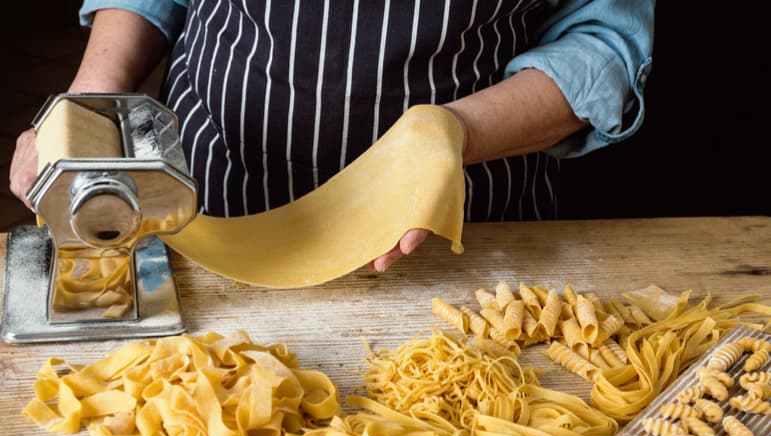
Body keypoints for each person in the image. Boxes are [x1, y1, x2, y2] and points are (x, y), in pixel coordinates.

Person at [9, 1, 654, 272]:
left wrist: (451, 134)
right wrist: (87, 111)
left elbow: (604, 42)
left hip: (460, 228)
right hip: (208, 194)